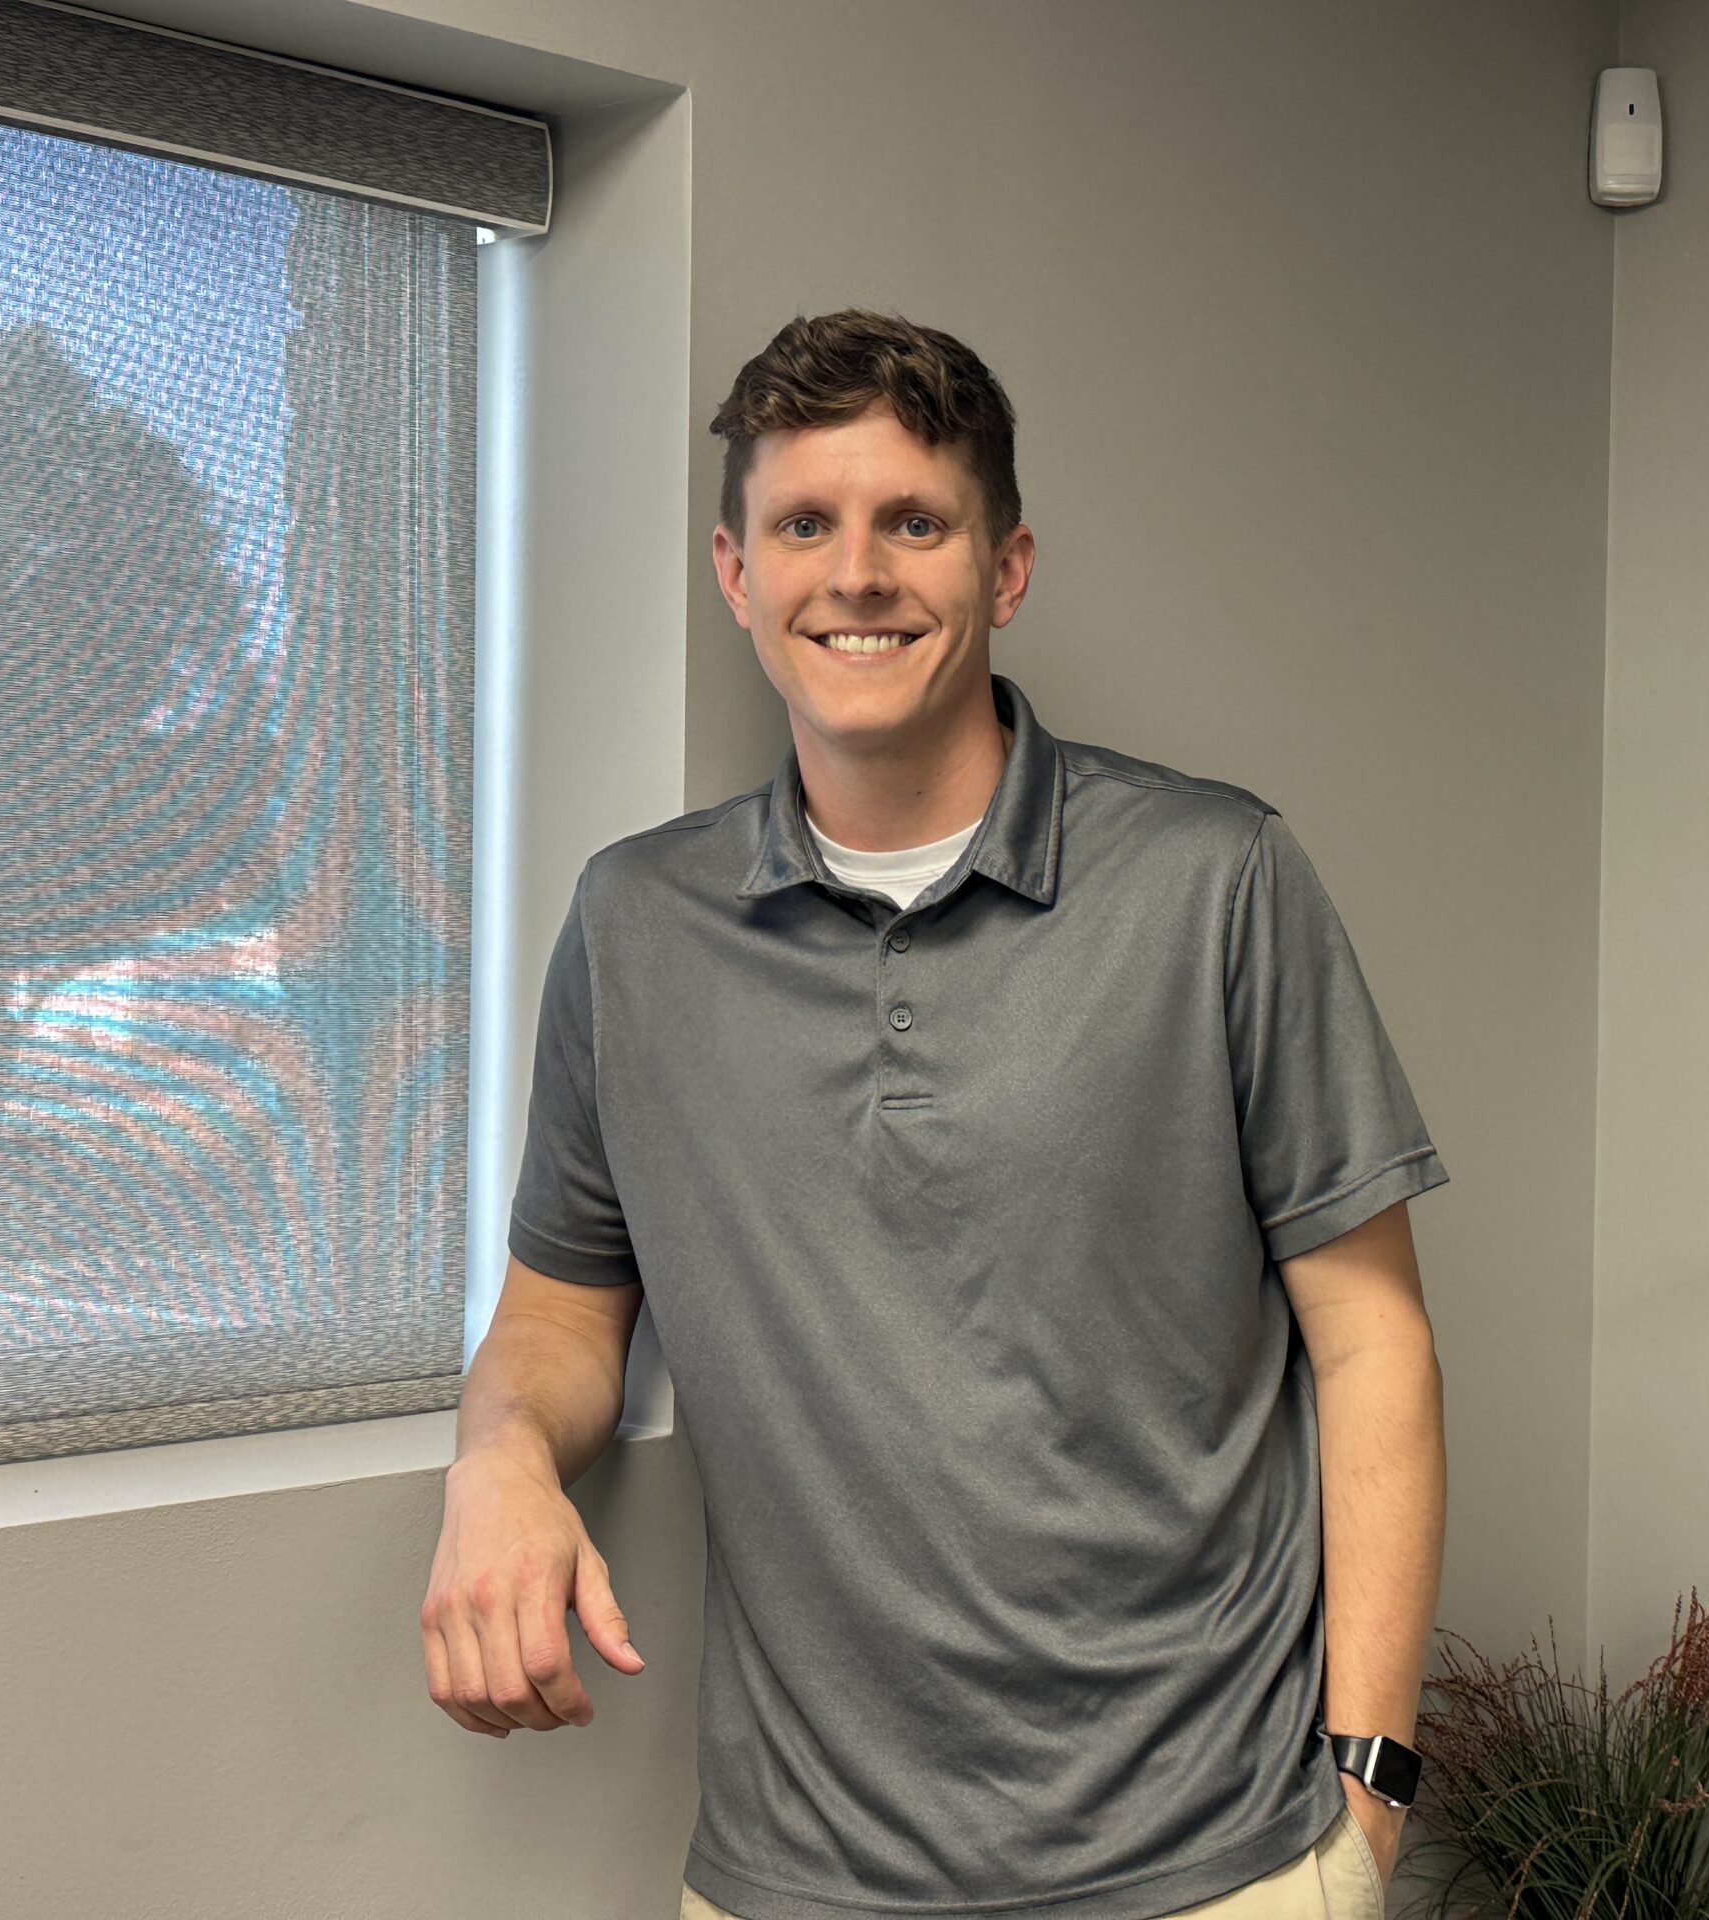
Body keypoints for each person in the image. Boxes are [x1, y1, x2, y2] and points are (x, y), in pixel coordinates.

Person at [420, 310, 1451, 1920]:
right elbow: (563, 1310)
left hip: (1215, 1862)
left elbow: (1372, 1339)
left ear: (1006, 565)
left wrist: (1370, 1796)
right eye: (804, 525)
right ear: (734, 572)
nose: (860, 573)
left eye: (917, 521)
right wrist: (497, 1460)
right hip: (794, 1876)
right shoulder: (635, 926)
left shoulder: (1214, 880)